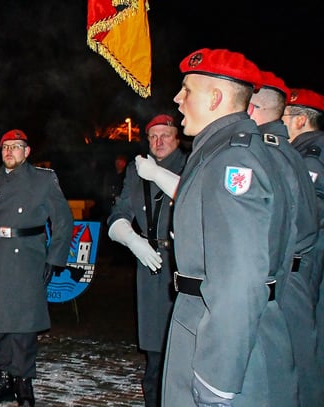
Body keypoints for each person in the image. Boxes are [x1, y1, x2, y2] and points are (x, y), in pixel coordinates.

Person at [162, 48, 300, 406]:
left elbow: (240, 277)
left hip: (218, 343)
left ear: (215, 98)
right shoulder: (226, 152)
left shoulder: (231, 161)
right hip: (219, 328)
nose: (177, 99)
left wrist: (217, 377)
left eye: (187, 90)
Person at [0, 129, 73, 407]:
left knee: (25, 325)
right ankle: (3, 378)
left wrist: (54, 259)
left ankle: (23, 380)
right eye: (5, 146)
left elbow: (63, 220)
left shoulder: (43, 179)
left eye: (16, 146)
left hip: (28, 257)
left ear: (27, 152)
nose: (9, 151)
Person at [106, 113, 186, 407]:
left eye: (165, 135)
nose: (158, 141)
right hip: (149, 263)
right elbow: (119, 213)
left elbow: (193, 198)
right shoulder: (136, 169)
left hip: (182, 263)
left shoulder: (192, 164)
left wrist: (157, 174)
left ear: (177, 137)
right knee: (154, 351)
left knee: (181, 346)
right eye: (153, 136)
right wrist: (132, 239)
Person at [275, 85, 324, 407]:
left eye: (284, 117)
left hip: (309, 256)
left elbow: (306, 213)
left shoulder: (311, 155)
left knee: (305, 342)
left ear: (300, 120)